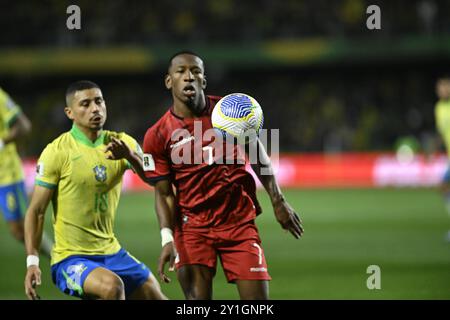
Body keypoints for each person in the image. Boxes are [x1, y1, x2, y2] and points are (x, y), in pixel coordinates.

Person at [142, 51, 304, 300]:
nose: (188, 77)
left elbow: (258, 155)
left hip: (238, 222)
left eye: (195, 72)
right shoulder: (158, 134)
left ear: (203, 81)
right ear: (169, 81)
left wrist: (278, 200)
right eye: (181, 71)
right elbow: (163, 194)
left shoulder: (230, 112)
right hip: (192, 228)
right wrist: (166, 238)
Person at [24, 80, 167, 300]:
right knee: (112, 287)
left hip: (112, 252)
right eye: (85, 104)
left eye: (98, 101)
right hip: (70, 259)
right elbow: (36, 211)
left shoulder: (123, 142)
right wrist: (32, 262)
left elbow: (154, 177)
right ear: (70, 112)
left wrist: (130, 156)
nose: (95, 108)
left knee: (153, 293)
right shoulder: (56, 152)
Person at [0, 87, 53, 257]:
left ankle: (58, 258)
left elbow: (24, 125)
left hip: (6, 174)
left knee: (20, 229)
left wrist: (2, 141)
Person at [434, 77, 450, 242]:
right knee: (444, 187)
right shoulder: (438, 107)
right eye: (440, 88)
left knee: (443, 185)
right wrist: (434, 149)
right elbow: (441, 131)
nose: (443, 90)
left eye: (446, 87)